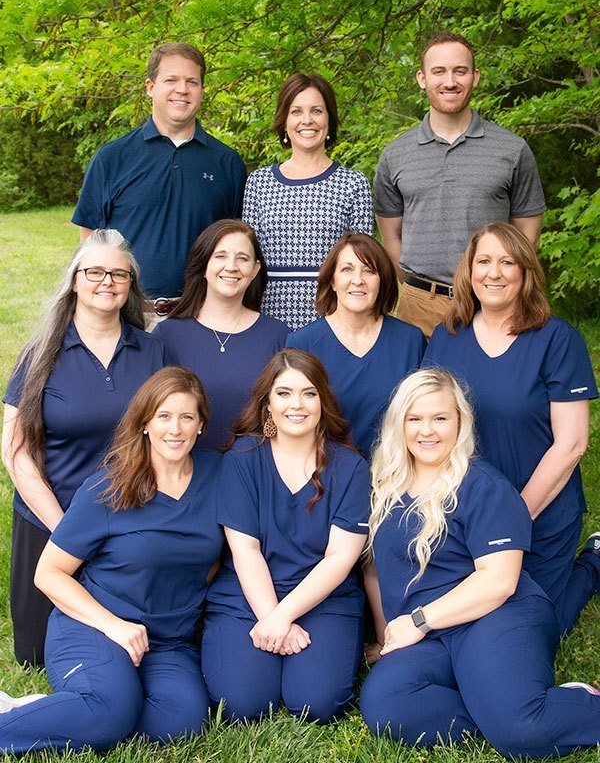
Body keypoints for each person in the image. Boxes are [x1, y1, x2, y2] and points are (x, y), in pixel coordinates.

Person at [360, 369, 600, 759]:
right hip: (429, 635)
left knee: (522, 731)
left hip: (493, 617)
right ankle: (495, 706)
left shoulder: (482, 486)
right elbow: (373, 568)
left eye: (440, 418)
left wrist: (417, 620)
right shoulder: (383, 486)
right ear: (398, 424)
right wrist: (389, 631)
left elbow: (499, 582)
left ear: (460, 421)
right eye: (415, 418)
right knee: (387, 706)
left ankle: (563, 706)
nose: (428, 431)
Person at [0, 367, 224, 753]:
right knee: (110, 711)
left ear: (201, 425)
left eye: (187, 417)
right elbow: (49, 573)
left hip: (168, 642)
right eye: (163, 416)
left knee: (182, 720)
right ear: (144, 423)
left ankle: (55, 710)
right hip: (93, 627)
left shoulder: (218, 475)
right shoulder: (109, 486)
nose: (175, 429)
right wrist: (114, 626)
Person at [1, 230, 169, 668]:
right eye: (94, 271)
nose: (106, 281)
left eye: (119, 273)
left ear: (130, 285)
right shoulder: (40, 354)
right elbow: (15, 452)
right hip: (51, 517)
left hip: (131, 513)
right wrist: (65, 529)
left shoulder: (153, 352)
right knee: (34, 655)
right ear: (74, 280)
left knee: (132, 649)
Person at [423, 222, 599, 635]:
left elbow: (572, 444)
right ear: (469, 271)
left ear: (525, 272)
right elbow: (427, 427)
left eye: (507, 262)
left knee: (532, 628)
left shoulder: (558, 340)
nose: (494, 272)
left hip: (539, 509)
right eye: (483, 261)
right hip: (462, 511)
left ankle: (591, 566)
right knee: (462, 620)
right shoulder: (446, 338)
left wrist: (512, 520)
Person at [202, 349, 369, 722]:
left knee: (316, 704)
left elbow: (339, 558)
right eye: (284, 393)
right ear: (267, 403)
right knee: (243, 705)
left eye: (309, 393)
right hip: (248, 595)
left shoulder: (351, 467)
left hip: (323, 598)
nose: (297, 404)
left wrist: (283, 618)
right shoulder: (243, 457)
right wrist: (271, 616)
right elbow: (245, 549)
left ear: (323, 402)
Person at [374, 31, 546, 337]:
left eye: (460, 71)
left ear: (475, 77)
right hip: (418, 311)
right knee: (421, 386)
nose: (450, 81)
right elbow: (391, 238)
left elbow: (527, 235)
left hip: (493, 305)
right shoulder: (396, 154)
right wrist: (424, 290)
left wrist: (496, 288)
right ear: (422, 78)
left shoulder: (512, 150)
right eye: (438, 71)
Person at [72, 42, 247, 319]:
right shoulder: (112, 158)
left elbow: (238, 244)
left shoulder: (227, 163)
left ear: (202, 90)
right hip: (128, 315)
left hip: (201, 316)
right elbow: (90, 242)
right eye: (171, 80)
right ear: (150, 87)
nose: (182, 89)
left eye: (192, 81)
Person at [242, 72, 373, 330]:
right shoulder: (259, 183)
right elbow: (249, 260)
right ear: (284, 121)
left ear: (329, 119)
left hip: (333, 321)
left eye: (316, 111)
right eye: (296, 111)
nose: (307, 120)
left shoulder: (353, 184)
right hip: (268, 320)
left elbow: (363, 265)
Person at [152, 219, 289, 449]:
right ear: (204, 265)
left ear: (255, 269)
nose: (232, 266)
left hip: (255, 471)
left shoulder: (279, 336)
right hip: (186, 472)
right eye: (221, 256)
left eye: (242, 258)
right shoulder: (167, 335)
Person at [286, 233, 426, 457]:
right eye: (347, 269)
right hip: (327, 477)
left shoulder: (410, 341)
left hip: (395, 477)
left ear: (383, 281)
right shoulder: (303, 343)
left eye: (369, 271)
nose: (358, 279)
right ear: (332, 280)